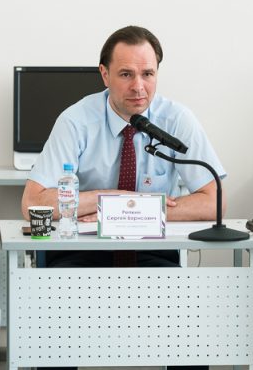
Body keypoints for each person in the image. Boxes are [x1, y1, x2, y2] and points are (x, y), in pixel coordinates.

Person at [21, 25, 226, 269]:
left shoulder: (176, 120)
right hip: (83, 249)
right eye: (126, 74)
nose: (138, 87)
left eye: (147, 74)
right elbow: (32, 203)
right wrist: (115, 199)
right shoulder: (75, 121)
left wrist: (133, 212)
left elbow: (215, 202)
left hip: (152, 250)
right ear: (105, 74)